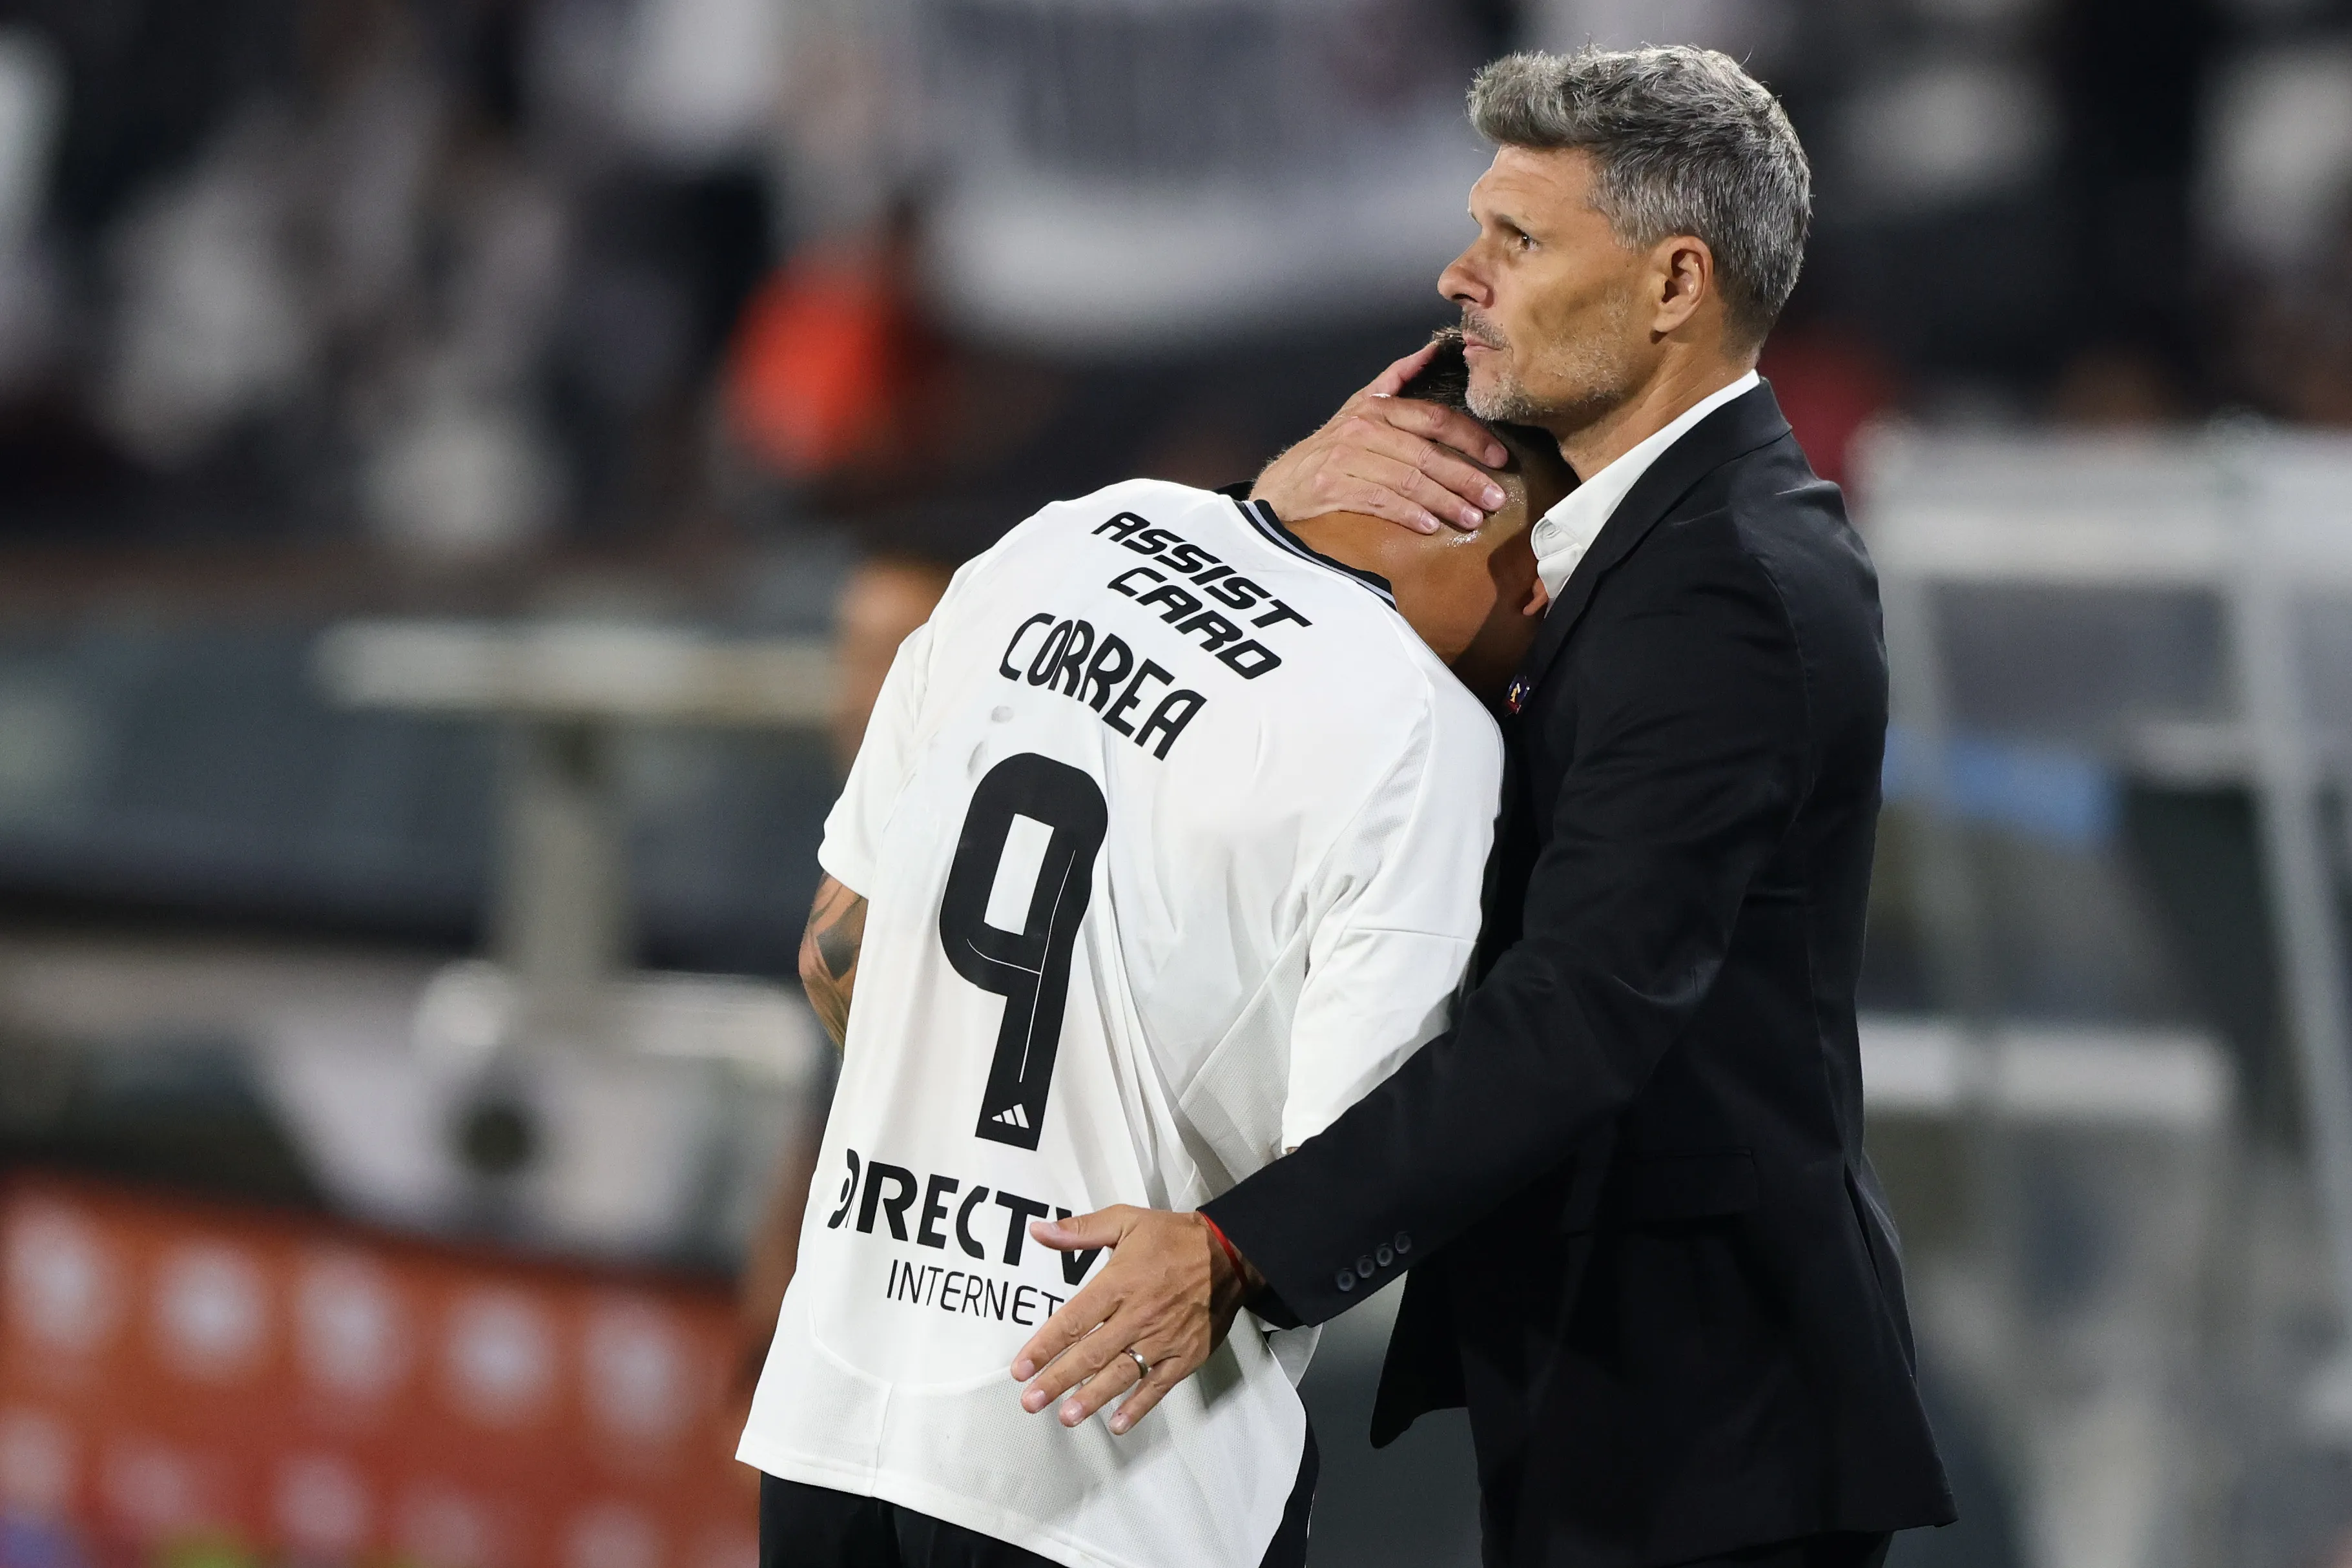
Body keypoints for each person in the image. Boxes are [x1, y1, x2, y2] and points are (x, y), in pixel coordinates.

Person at [1010, 46, 1957, 1568]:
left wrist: (1242, 1250)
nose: (1462, 275)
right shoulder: (1644, 539)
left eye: (1520, 241)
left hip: (1707, 1426)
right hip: (1637, 1395)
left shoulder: (1727, 582)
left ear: (1672, 286)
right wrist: (1278, 510)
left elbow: (1583, 1007)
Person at [738, 338, 1573, 1568]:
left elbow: (835, 953)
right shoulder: (1423, 732)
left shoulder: (1064, 537)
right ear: (1500, 531)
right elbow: (1351, 1171)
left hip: (843, 1410)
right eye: (1557, 561)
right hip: (1111, 1463)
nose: (1552, 614)